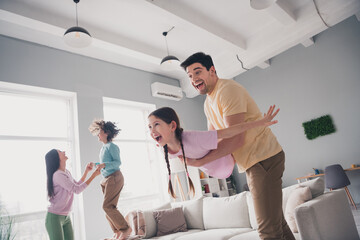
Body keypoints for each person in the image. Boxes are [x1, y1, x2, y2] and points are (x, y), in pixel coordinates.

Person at [180, 52, 295, 240]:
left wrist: (200, 162)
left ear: (212, 70)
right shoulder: (208, 102)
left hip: (263, 158)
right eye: (190, 76)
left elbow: (235, 139)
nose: (194, 79)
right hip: (254, 161)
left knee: (267, 230)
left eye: (197, 72)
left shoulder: (227, 90)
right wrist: (189, 149)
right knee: (277, 223)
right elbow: (213, 139)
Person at [148, 105, 279, 198]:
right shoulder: (164, 149)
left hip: (226, 162)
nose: (152, 131)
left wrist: (260, 122)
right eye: (149, 127)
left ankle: (217, 113)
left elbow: (228, 132)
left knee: (229, 136)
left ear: (172, 126)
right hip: (214, 171)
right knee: (215, 135)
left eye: (156, 124)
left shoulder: (193, 138)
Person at [89, 120, 132, 240]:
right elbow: (106, 164)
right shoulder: (104, 148)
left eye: (100, 132)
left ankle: (125, 229)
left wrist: (104, 165)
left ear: (106, 133)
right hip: (107, 179)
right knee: (109, 208)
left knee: (107, 206)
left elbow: (117, 163)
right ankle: (118, 231)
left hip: (114, 177)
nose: (98, 134)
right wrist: (97, 164)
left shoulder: (112, 146)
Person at [45, 149, 101, 240]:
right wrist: (93, 175)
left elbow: (77, 185)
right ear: (56, 158)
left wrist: (86, 171)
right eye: (60, 152)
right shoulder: (57, 175)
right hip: (54, 218)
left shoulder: (66, 172)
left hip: (66, 216)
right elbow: (77, 190)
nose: (63, 151)